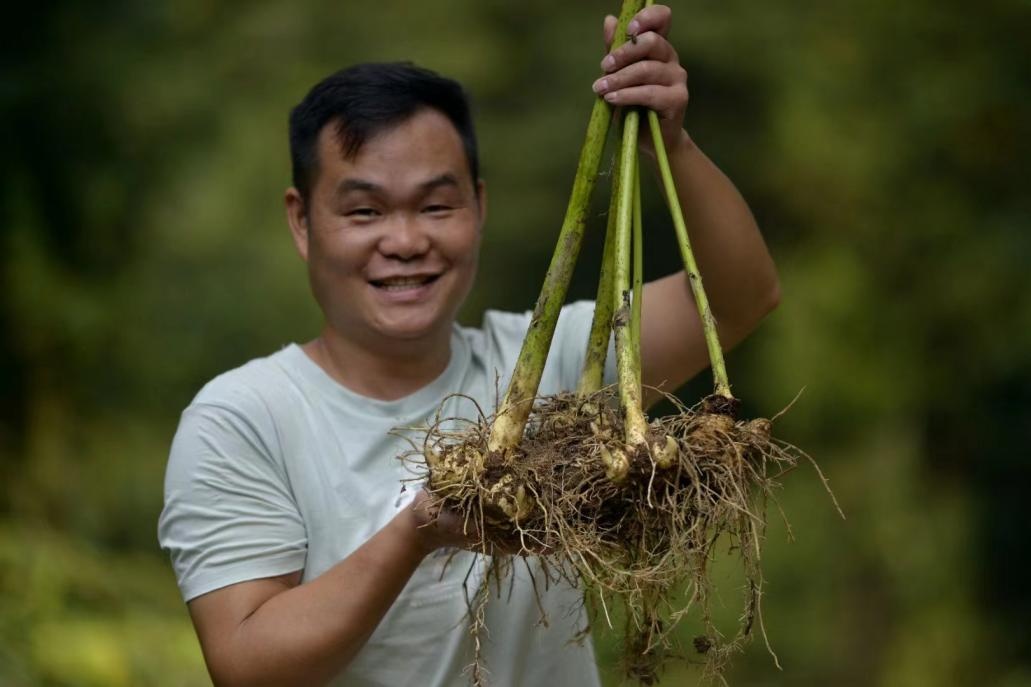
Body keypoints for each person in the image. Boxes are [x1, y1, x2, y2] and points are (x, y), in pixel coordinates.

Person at [158, 5, 780, 686]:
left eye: (434, 205)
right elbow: (246, 665)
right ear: (302, 222)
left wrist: (672, 143)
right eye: (364, 211)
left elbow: (738, 296)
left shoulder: (557, 365)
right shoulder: (244, 418)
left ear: (478, 208)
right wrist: (418, 529)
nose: (403, 241)